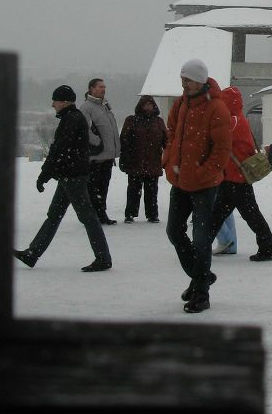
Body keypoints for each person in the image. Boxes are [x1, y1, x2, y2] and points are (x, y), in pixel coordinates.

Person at [14, 85, 112, 272]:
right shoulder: (73, 118)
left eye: (55, 100)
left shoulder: (71, 119)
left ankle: (103, 258)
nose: (52, 104)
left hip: (73, 177)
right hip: (70, 175)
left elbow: (60, 149)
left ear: (64, 102)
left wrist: (45, 173)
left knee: (87, 217)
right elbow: (64, 149)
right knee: (55, 215)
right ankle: (32, 253)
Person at [163, 58, 233, 313]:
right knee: (173, 231)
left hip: (204, 184)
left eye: (189, 80)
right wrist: (169, 159)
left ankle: (201, 293)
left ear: (201, 80)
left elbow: (223, 149)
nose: (184, 84)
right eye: (182, 79)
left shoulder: (217, 108)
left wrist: (204, 172)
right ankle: (200, 276)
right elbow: (171, 132)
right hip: (180, 180)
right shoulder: (180, 104)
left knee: (201, 238)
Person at [210, 85, 272, 262]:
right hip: (236, 178)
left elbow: (217, 140)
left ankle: (269, 248)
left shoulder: (231, 120)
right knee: (223, 215)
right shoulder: (239, 117)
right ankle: (200, 247)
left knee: (239, 215)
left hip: (235, 178)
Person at [80, 76, 121, 225]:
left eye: (104, 87)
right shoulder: (86, 107)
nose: (103, 89)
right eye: (100, 87)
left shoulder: (105, 105)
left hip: (107, 156)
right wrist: (99, 144)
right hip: (96, 157)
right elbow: (85, 130)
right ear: (91, 89)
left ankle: (100, 213)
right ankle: (93, 215)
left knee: (103, 186)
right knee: (94, 188)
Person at [119, 95, 167, 222]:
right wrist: (125, 159)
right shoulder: (131, 120)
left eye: (150, 104)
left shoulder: (159, 122)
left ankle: (152, 214)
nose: (148, 107)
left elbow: (166, 141)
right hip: (135, 162)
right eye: (145, 104)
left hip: (153, 162)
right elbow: (124, 141)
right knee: (133, 190)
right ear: (140, 106)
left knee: (152, 191)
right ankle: (130, 213)